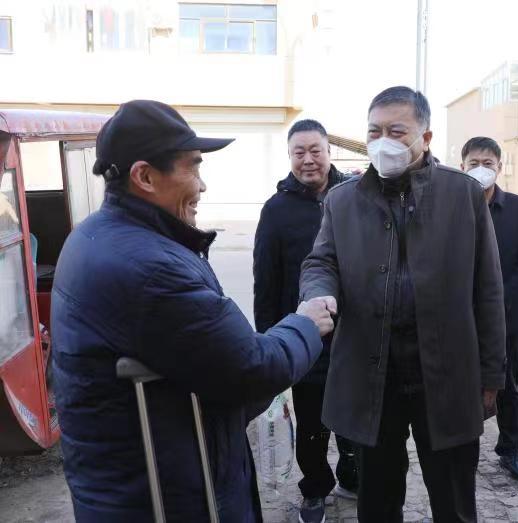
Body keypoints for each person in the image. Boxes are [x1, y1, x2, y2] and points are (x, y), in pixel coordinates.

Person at [51, 100, 332, 522]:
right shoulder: (148, 268)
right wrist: (305, 324)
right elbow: (250, 370)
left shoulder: (98, 235)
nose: (202, 186)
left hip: (135, 482)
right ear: (145, 176)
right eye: (193, 168)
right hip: (168, 496)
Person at [299, 86, 506, 522]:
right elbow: (321, 261)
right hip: (373, 371)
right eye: (374, 132)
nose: (383, 142)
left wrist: (491, 374)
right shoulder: (342, 200)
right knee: (377, 499)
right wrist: (318, 291)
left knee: (453, 499)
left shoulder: (462, 194)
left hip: (445, 373)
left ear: (425, 138)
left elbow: (487, 289)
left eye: (396, 132)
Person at [253, 118, 359, 523]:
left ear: (330, 152)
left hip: (354, 337)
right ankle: (315, 489)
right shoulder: (276, 210)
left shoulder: (353, 196)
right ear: (290, 157)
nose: (308, 160)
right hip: (306, 339)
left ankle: (352, 475)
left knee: (353, 418)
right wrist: (270, 343)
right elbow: (266, 281)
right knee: (312, 424)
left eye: (316, 150)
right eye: (299, 153)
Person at [461, 136, 518, 482]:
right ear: (462, 167)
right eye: (474, 163)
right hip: (461, 317)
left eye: (488, 163)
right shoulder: (453, 207)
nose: (481, 169)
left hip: (507, 317)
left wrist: (499, 299)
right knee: (463, 382)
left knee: (507, 383)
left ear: (499, 167)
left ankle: (510, 449)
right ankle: (462, 449)